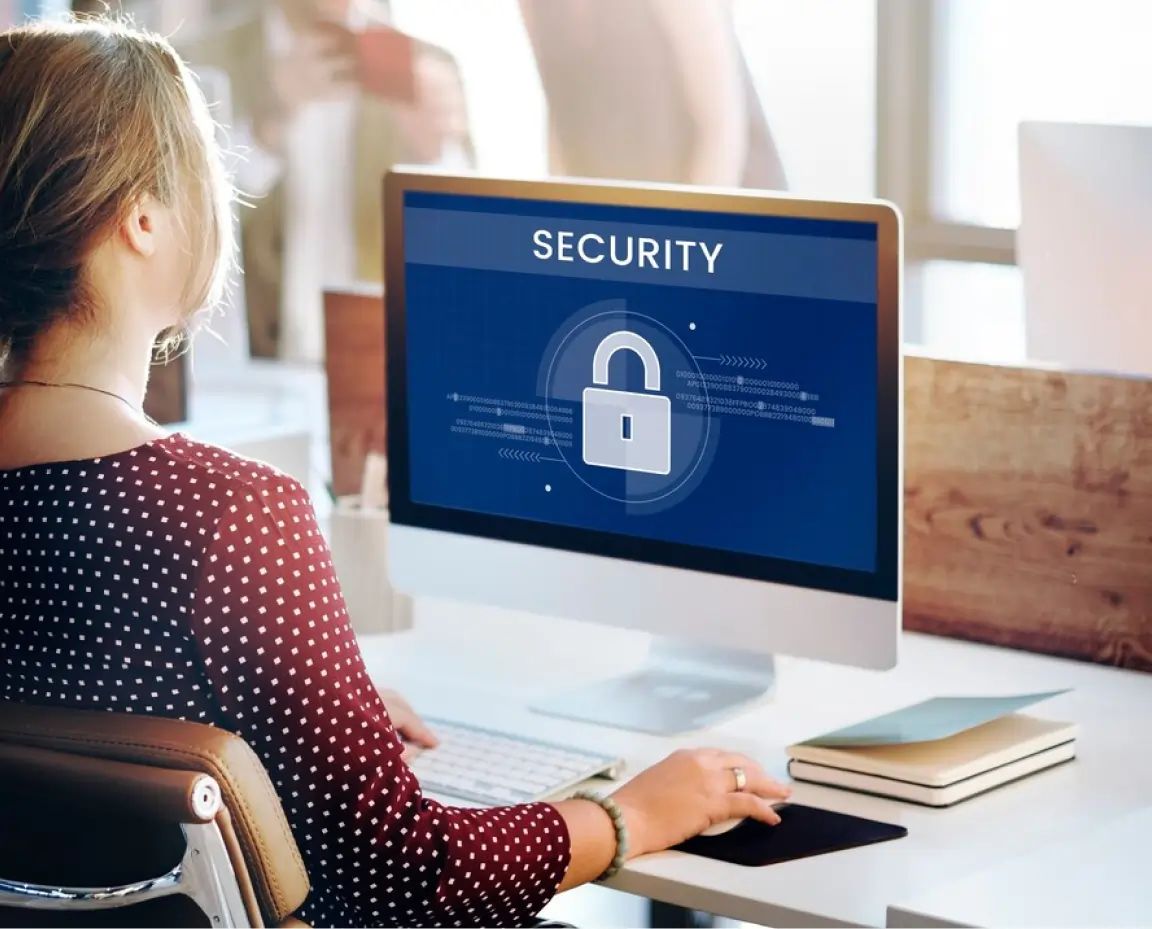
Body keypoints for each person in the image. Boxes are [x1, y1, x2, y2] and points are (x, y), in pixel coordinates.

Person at [0, 18, 790, 929]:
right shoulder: (228, 516)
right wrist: (634, 814)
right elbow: (406, 877)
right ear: (141, 218)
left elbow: (83, 705)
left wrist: (309, 697)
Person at [181, 0, 474, 363]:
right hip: (245, 365)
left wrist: (433, 155)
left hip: (378, 360)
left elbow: (464, 242)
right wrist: (264, 127)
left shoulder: (425, 64)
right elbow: (182, 223)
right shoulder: (199, 60)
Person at [519, 0, 787, 190]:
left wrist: (685, 233)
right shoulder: (536, 6)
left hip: (724, 193)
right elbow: (563, 112)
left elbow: (722, 127)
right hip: (631, 199)